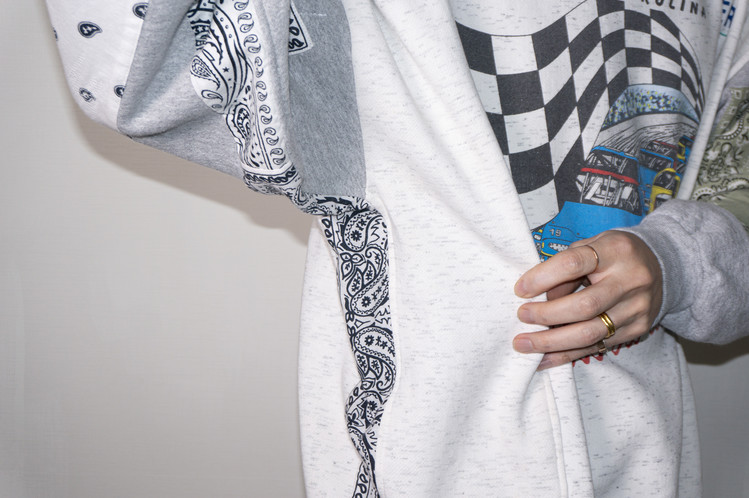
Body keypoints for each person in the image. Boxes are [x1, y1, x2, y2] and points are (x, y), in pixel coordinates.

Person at [45, 0, 749, 495]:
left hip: (647, 451)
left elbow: (734, 178)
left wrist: (679, 262)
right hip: (424, 452)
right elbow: (132, 76)